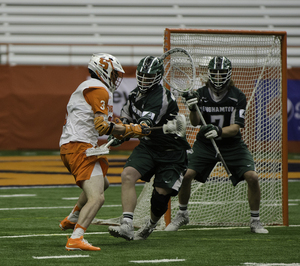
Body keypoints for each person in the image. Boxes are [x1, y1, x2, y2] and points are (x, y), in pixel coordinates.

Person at [165, 56, 269, 234]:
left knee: (252, 177)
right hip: (205, 143)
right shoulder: (200, 94)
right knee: (187, 174)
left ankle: (255, 220)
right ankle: (182, 213)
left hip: (232, 144)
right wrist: (192, 108)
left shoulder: (238, 96)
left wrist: (219, 131)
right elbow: (196, 122)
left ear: (228, 75)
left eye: (222, 74)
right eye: (215, 73)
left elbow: (236, 128)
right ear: (209, 74)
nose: (218, 77)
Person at [59, 53, 150, 251]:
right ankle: (76, 237)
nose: (116, 79)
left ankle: (73, 216)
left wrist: (126, 128)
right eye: (115, 74)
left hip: (74, 146)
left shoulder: (88, 86)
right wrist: (132, 130)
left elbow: (105, 121)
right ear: (104, 70)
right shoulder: (98, 88)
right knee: (97, 197)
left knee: (104, 183)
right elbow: (102, 126)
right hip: (79, 147)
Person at [107, 55, 191, 241]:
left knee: (160, 198)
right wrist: (121, 133)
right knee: (128, 174)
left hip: (171, 152)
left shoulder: (162, 97)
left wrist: (127, 132)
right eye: (142, 76)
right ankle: (127, 224)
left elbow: (144, 125)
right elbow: (127, 118)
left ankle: (150, 225)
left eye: (149, 76)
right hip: (149, 147)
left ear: (158, 77)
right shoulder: (134, 94)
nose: (144, 80)